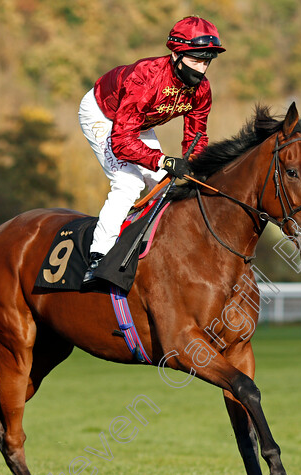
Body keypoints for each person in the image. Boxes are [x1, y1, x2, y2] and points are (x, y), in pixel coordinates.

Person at [78, 16, 225, 284]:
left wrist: (196, 166)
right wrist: (164, 160)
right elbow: (122, 141)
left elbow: (196, 136)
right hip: (104, 114)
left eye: (206, 62)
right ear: (175, 54)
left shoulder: (202, 89)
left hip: (139, 122)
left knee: (166, 187)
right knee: (128, 183)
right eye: (195, 60)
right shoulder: (145, 78)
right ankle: (98, 256)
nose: (201, 70)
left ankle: (148, 248)